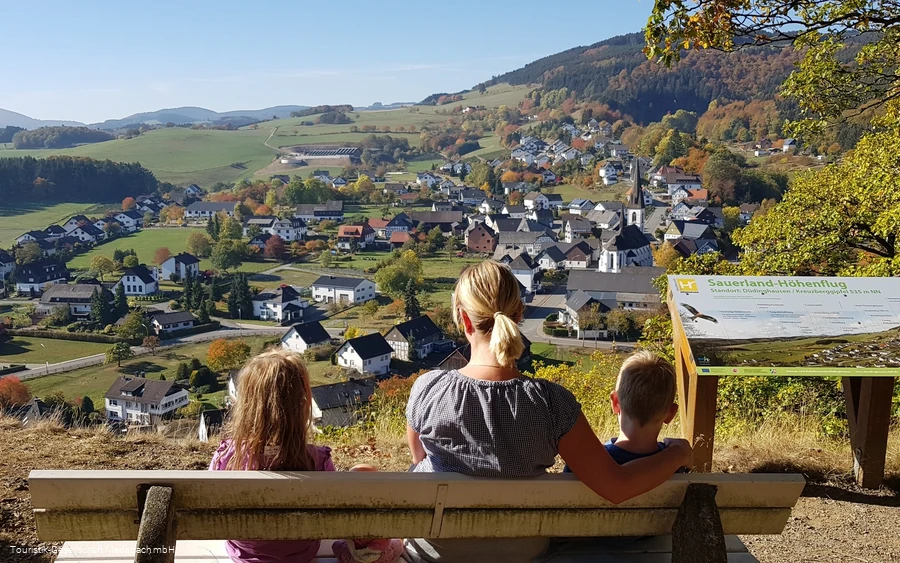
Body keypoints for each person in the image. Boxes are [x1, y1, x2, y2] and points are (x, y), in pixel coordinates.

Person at [403, 261, 692, 562]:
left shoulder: (428, 389)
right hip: (522, 552)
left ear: (464, 320)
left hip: (434, 553)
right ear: (519, 315)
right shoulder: (551, 403)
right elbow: (616, 487)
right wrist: (678, 453)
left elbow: (419, 461)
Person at [210, 348, 336, 563]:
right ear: (301, 403)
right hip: (302, 554)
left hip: (244, 554)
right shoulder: (318, 461)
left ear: (246, 403)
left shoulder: (227, 458)